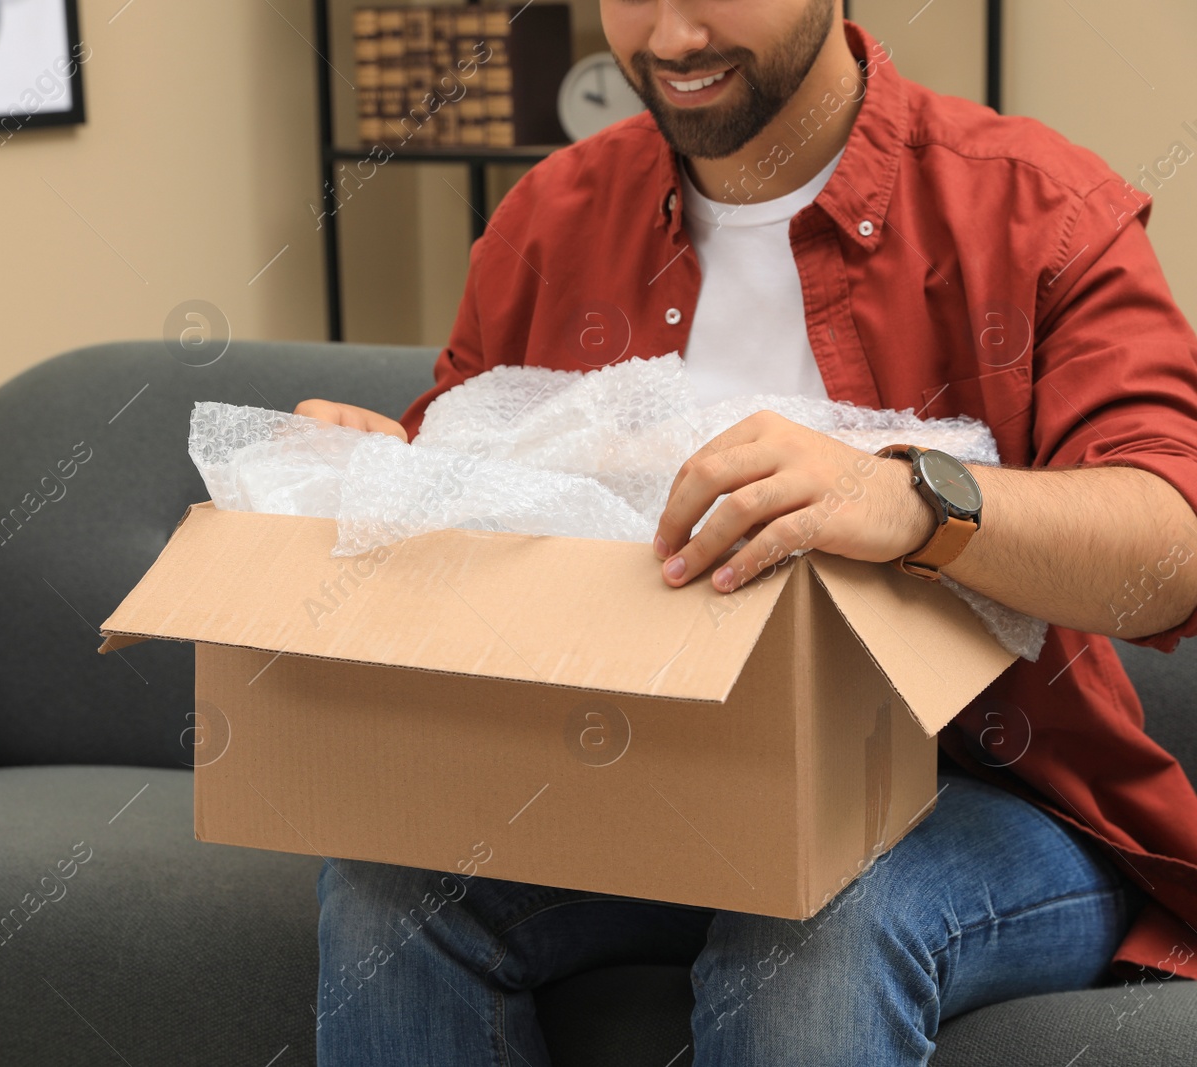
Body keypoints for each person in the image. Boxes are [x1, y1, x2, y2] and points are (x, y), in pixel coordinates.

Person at [297, 2, 1197, 1063]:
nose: (672, 39)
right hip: (642, 779)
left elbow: (1169, 549)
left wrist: (913, 502)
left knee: (818, 920)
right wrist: (371, 468)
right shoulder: (550, 216)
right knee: (383, 888)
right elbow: (472, 484)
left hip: (983, 789)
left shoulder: (1034, 206)